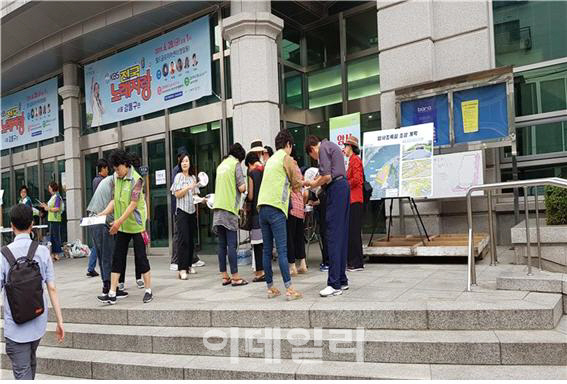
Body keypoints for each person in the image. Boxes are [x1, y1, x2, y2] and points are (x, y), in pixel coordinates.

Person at [1, 204, 64, 380]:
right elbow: (52, 288)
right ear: (32, 224)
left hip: (15, 326)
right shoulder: (43, 252)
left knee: (23, 373)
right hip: (37, 323)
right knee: (30, 364)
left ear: (12, 226)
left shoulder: (3, 255)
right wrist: (59, 321)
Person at [97, 149, 153, 304]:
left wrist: (117, 222)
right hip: (122, 226)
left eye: (117, 168)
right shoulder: (117, 178)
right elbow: (115, 201)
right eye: (114, 169)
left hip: (136, 226)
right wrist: (103, 213)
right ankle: (112, 293)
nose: (116, 172)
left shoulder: (137, 180)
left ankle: (148, 290)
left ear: (125, 164)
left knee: (141, 258)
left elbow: (133, 204)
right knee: (117, 258)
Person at [257, 130, 303, 300]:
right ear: (289, 145)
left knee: (267, 250)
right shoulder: (286, 158)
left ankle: (270, 288)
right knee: (282, 250)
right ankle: (290, 290)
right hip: (276, 207)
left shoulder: (270, 161)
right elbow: (297, 182)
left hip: (262, 207)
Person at [304, 135, 350, 297]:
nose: (315, 159)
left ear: (312, 149)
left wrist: (311, 184)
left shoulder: (322, 148)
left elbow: (326, 176)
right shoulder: (331, 146)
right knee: (341, 235)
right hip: (343, 187)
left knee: (332, 236)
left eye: (312, 156)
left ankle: (334, 283)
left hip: (336, 189)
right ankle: (342, 280)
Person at [212, 143, 247, 286]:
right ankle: (236, 277)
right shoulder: (235, 165)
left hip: (218, 208)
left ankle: (224, 276)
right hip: (229, 209)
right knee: (232, 244)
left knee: (222, 245)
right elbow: (241, 187)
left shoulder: (221, 165)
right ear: (240, 157)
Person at [170, 147, 204, 271]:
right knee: (183, 240)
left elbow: (195, 195)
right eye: (183, 161)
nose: (185, 163)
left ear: (190, 163)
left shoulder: (193, 178)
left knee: (190, 240)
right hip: (182, 211)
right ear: (180, 163)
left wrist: (203, 199)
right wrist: (187, 188)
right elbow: (177, 194)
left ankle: (189, 265)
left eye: (187, 161)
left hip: (191, 211)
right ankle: (182, 268)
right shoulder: (178, 177)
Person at [86, 159, 110, 278]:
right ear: (103, 169)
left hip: (97, 214)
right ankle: (92, 268)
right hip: (101, 214)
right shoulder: (102, 181)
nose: (108, 171)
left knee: (97, 243)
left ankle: (91, 267)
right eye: (107, 169)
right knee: (99, 244)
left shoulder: (95, 180)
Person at [344, 136, 365, 271]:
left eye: (345, 146)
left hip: (355, 199)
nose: (344, 149)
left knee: (354, 232)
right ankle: (354, 261)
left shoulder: (355, 160)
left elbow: (357, 179)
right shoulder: (352, 160)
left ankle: (357, 263)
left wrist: (345, 184)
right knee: (352, 231)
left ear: (351, 147)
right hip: (353, 199)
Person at [287, 149, 308, 276]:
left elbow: (291, 185)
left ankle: (292, 266)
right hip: (300, 206)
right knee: (299, 236)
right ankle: (303, 264)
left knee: (290, 237)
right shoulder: (298, 169)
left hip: (291, 206)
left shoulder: (289, 166)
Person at [244, 149, 265, 282]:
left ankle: (259, 272)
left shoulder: (252, 173)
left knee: (257, 244)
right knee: (265, 243)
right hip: (266, 210)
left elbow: (251, 195)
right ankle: (266, 270)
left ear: (250, 164)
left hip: (256, 213)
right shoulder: (265, 170)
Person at [39, 182, 63, 262]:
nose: (49, 189)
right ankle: (53, 254)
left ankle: (57, 253)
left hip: (55, 219)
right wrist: (45, 206)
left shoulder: (57, 197)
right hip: (51, 218)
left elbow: (57, 208)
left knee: (55, 237)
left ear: (53, 188)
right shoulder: (53, 197)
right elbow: (51, 207)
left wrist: (47, 208)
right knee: (52, 237)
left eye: (49, 188)